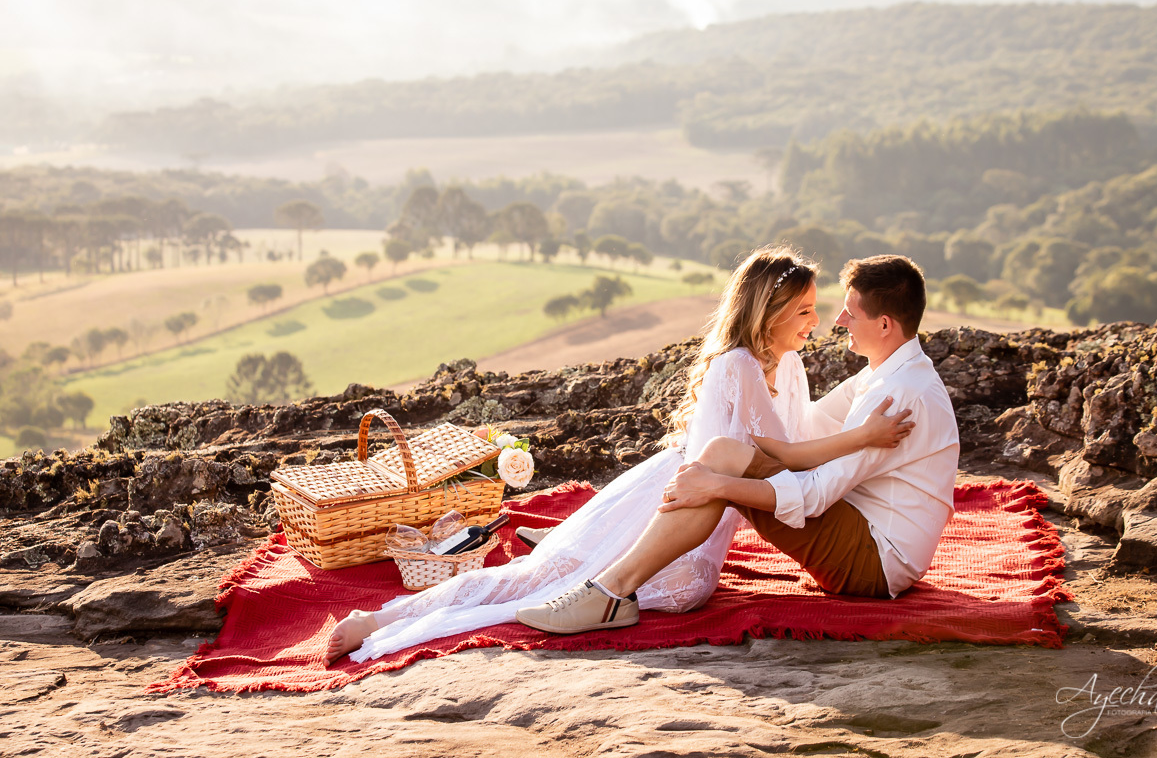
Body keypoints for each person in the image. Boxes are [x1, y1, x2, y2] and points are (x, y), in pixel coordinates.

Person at [324, 246, 914, 665]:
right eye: (806, 311)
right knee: (528, 583)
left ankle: (599, 593)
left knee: (630, 585)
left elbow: (801, 437)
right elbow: (786, 453)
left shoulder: (790, 364)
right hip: (675, 501)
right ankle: (377, 623)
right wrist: (863, 439)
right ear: (769, 314)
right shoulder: (737, 365)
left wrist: (865, 411)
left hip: (703, 531)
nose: (819, 322)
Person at [515, 254, 959, 634]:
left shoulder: (898, 397)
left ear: (884, 324)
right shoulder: (887, 374)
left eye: (851, 313)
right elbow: (810, 429)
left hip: (874, 561)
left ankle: (610, 593)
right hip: (863, 534)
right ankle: (612, 588)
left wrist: (719, 488)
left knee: (718, 467)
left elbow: (815, 496)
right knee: (723, 453)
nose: (837, 320)